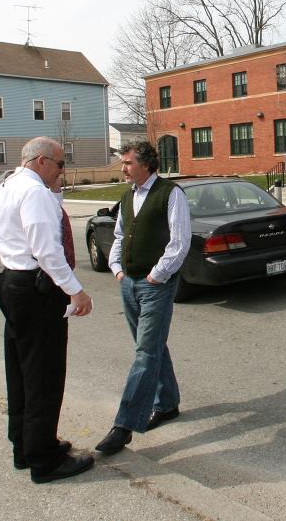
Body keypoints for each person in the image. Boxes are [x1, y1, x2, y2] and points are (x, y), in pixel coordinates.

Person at [0, 137, 94, 484]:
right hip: (37, 288)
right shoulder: (33, 193)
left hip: (12, 283)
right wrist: (76, 292)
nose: (63, 171)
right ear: (42, 161)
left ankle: (25, 445)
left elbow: (44, 221)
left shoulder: (6, 187)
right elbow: (48, 251)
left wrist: (56, 189)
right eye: (60, 165)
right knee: (44, 375)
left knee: (20, 370)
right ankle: (44, 459)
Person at [96, 141, 191, 456]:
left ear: (147, 164)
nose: (123, 168)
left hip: (155, 286)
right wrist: (116, 267)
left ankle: (123, 426)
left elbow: (179, 242)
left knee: (145, 354)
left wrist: (157, 275)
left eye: (127, 162)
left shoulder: (170, 194)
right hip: (129, 283)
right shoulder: (127, 196)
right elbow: (121, 235)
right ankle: (167, 404)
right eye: (123, 162)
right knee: (151, 348)